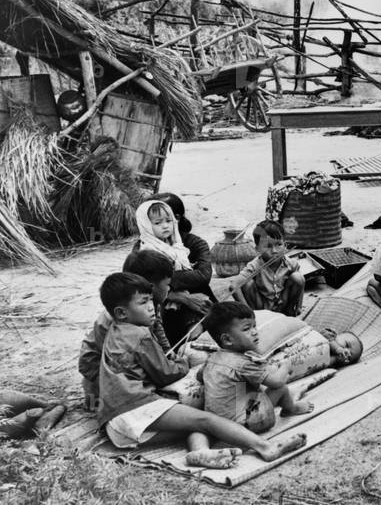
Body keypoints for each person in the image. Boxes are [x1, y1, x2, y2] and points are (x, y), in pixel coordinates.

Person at [96, 272, 305, 466]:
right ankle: (266, 447)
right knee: (210, 419)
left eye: (150, 299)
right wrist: (184, 362)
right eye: (143, 302)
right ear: (121, 312)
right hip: (135, 408)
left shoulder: (115, 331)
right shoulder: (139, 334)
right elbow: (166, 373)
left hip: (115, 424)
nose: (151, 306)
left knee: (196, 422)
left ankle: (200, 452)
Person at [199, 301, 317, 432]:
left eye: (254, 326)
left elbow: (200, 376)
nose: (255, 332)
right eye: (246, 329)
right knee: (280, 388)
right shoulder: (243, 364)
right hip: (246, 423)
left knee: (250, 387)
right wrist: (286, 365)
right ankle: (290, 408)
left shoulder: (211, 359)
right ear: (227, 339)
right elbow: (276, 382)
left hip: (218, 425)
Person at [79, 251, 174, 412]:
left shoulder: (149, 304)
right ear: (150, 285)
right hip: (98, 364)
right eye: (167, 285)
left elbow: (158, 328)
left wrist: (168, 352)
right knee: (107, 399)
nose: (170, 289)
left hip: (125, 357)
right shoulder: (111, 321)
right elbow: (111, 356)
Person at [131, 199, 214, 343]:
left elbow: (203, 276)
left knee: (208, 310)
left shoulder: (187, 244)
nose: (165, 226)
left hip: (196, 294)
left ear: (176, 219)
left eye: (168, 220)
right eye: (157, 223)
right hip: (163, 300)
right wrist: (176, 294)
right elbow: (139, 281)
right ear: (145, 224)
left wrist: (163, 279)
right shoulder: (144, 247)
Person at [236, 220, 305, 317]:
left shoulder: (291, 263)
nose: (274, 251)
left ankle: (289, 312)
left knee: (298, 277)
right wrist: (246, 311)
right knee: (247, 283)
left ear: (285, 245)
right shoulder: (254, 265)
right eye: (268, 246)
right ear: (257, 249)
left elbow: (301, 283)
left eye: (279, 244)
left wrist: (299, 306)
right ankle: (255, 316)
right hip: (261, 307)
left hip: (282, 303)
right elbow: (234, 286)